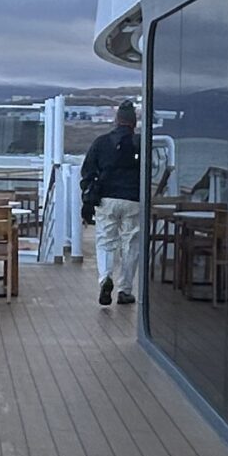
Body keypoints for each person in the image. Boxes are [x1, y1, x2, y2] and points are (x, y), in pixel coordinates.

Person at [79, 100, 145, 308]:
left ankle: (105, 278)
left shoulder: (101, 142)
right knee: (131, 244)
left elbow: (87, 172)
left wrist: (89, 197)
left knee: (105, 241)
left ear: (117, 121)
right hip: (133, 199)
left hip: (106, 199)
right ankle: (125, 290)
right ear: (134, 123)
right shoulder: (140, 143)